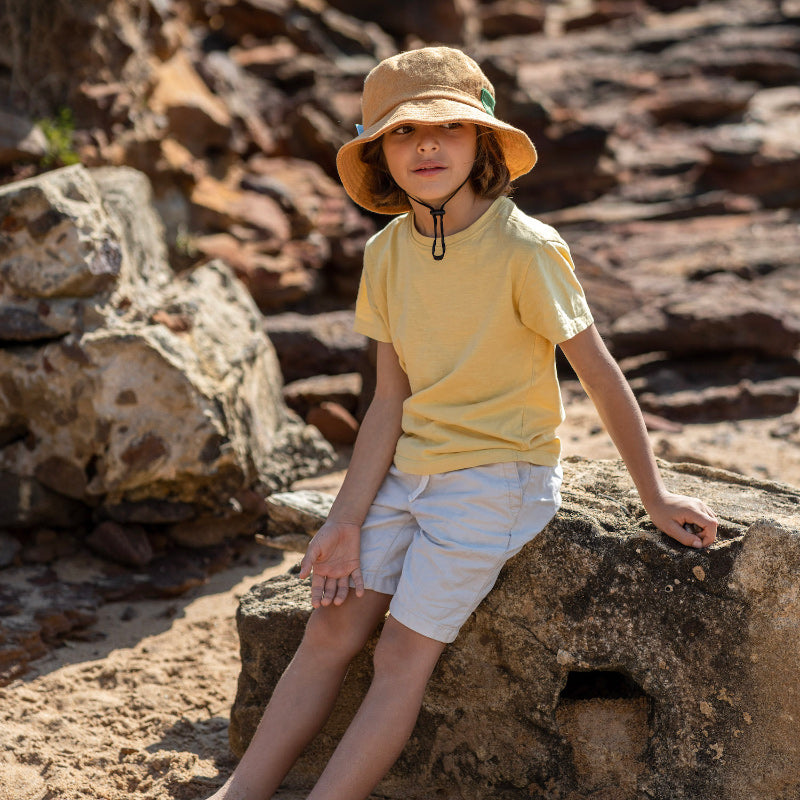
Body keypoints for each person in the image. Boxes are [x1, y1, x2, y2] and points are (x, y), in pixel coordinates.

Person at [208, 46, 718, 800]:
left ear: (483, 141)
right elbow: (389, 399)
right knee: (330, 632)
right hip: (407, 474)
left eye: (448, 128)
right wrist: (344, 519)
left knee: (399, 658)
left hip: (496, 480)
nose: (426, 146)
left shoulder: (525, 248)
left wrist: (655, 496)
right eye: (404, 133)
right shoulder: (385, 254)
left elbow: (600, 375)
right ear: (378, 151)